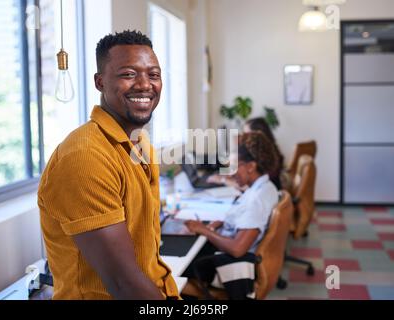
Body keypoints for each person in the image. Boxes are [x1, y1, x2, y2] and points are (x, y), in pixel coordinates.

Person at [37, 30, 179, 300]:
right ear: (100, 82)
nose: (144, 84)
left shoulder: (139, 142)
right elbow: (124, 284)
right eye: (128, 74)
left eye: (154, 74)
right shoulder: (84, 157)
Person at [183, 131, 279, 299]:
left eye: (235, 165)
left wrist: (204, 230)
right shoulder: (266, 187)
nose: (231, 171)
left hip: (230, 262)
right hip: (236, 250)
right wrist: (219, 223)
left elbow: (237, 249)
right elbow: (243, 218)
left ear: (251, 166)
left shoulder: (255, 200)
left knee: (175, 266)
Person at [244, 117, 284, 190]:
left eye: (247, 134)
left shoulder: (266, 154)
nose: (244, 137)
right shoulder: (270, 148)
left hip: (269, 190)